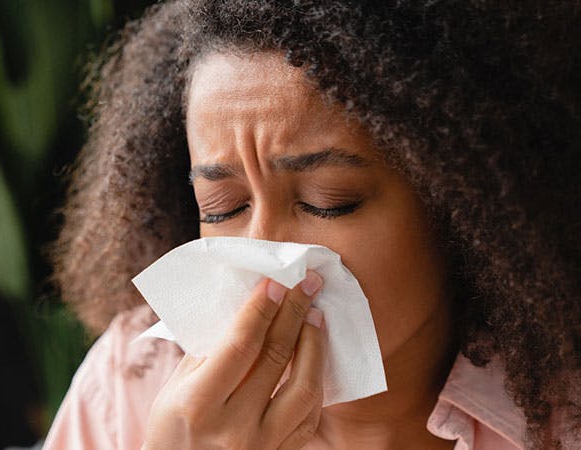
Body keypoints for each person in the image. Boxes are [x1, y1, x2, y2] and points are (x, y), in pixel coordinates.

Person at [44, 1, 581, 448]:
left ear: (458, 202)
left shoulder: (562, 417)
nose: (264, 255)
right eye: (221, 208)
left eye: (330, 202)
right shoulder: (132, 379)